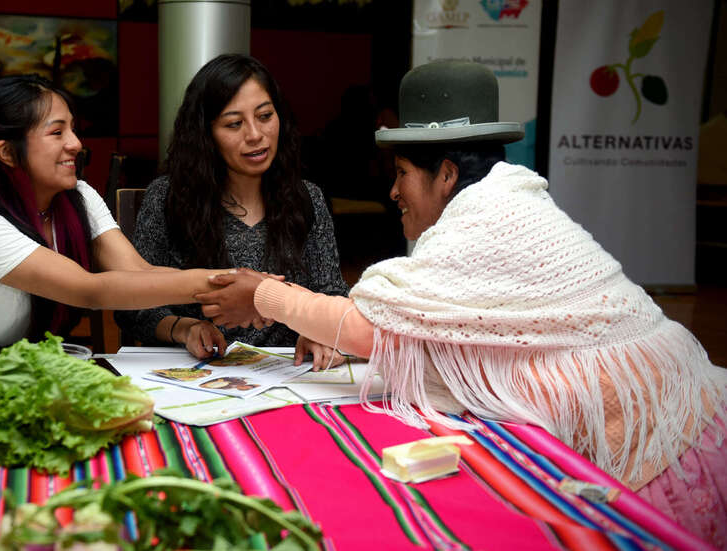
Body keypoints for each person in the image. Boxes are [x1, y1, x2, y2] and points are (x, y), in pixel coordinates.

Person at [196, 61, 727, 547]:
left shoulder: (488, 220)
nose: (394, 192)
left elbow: (366, 327)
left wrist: (263, 294)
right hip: (671, 414)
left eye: (402, 173)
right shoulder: (504, 199)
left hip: (665, 444)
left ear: (446, 174)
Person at [0, 75, 231, 347]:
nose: (75, 144)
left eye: (72, 129)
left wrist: (224, 288)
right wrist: (234, 285)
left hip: (36, 358)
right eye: (57, 132)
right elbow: (90, 291)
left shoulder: (79, 198)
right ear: (7, 152)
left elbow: (137, 273)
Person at [114, 54, 349, 368]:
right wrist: (186, 329)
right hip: (196, 375)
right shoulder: (169, 199)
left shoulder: (307, 198)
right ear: (206, 133)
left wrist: (319, 330)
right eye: (234, 124)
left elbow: (332, 293)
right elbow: (132, 308)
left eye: (265, 116)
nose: (254, 134)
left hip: (290, 372)